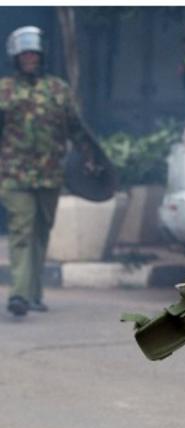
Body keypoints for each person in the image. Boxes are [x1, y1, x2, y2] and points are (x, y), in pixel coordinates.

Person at [0, 26, 93, 317]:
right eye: (25, 53)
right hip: (14, 175)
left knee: (40, 233)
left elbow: (77, 130)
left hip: (50, 175)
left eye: (34, 53)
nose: (30, 58)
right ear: (15, 56)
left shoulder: (58, 90)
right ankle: (18, 295)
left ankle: (34, 294)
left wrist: (92, 159)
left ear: (42, 55)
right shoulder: (4, 90)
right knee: (21, 231)